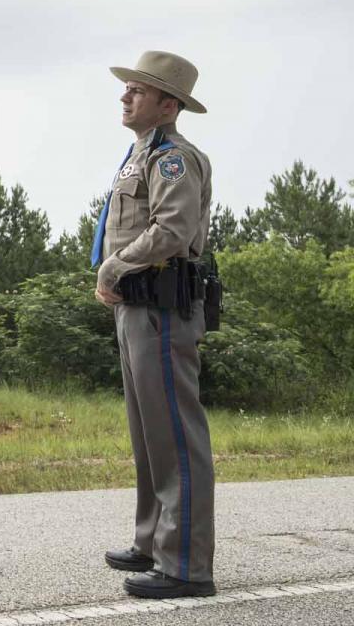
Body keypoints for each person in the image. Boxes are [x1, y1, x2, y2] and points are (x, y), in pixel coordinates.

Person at [91, 51, 216, 599]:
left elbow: (171, 230)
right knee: (148, 436)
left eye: (138, 91)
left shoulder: (173, 158)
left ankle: (186, 566)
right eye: (128, 89)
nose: (125, 96)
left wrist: (114, 265)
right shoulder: (139, 154)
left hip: (163, 310)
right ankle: (153, 542)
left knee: (175, 438)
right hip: (136, 307)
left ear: (168, 105)